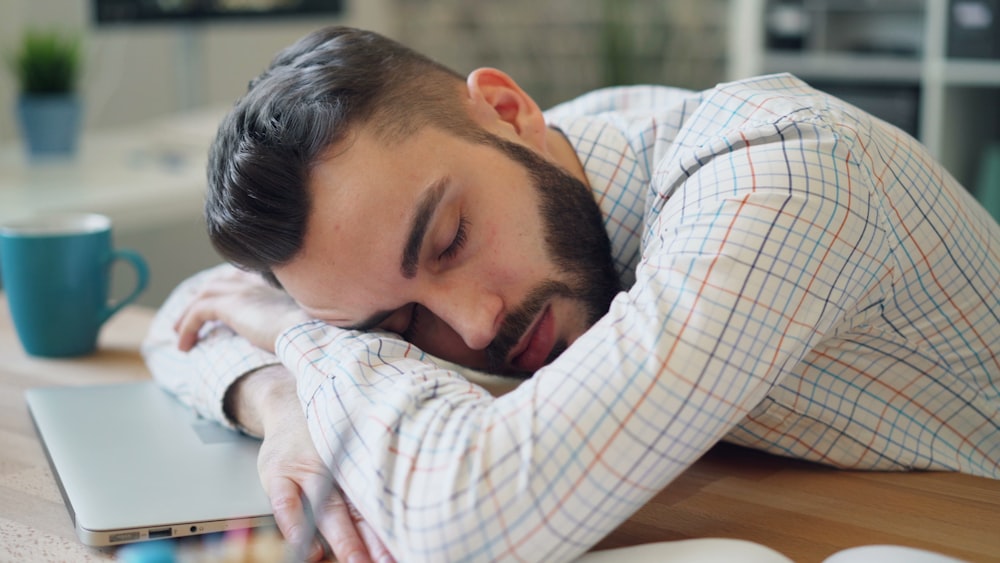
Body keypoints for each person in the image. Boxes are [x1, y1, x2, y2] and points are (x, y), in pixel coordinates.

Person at [143, 25, 1000, 563]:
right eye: (398, 320)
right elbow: (186, 320)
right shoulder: (500, 175)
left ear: (508, 109)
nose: (473, 325)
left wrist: (315, 341)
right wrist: (283, 401)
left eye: (450, 240)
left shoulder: (778, 175)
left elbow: (467, 526)